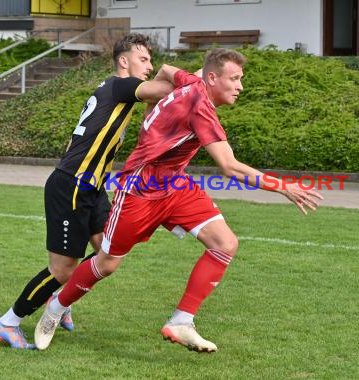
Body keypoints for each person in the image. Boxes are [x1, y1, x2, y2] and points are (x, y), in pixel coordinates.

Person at [34, 48, 324, 353]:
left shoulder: (191, 83)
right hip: (140, 190)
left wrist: (150, 112)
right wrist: (284, 187)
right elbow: (229, 166)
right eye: (234, 79)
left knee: (225, 243)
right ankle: (56, 306)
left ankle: (181, 321)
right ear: (212, 78)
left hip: (175, 184)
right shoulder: (200, 106)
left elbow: (167, 69)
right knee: (106, 264)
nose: (240, 86)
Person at [0, 33, 178, 349]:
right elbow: (165, 90)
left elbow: (154, 96)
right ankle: (9, 322)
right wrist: (189, 74)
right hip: (72, 187)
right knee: (63, 269)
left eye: (150, 61)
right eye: (143, 60)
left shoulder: (116, 89)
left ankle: (59, 300)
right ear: (123, 61)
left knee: (111, 252)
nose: (149, 66)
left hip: (93, 189)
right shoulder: (119, 85)